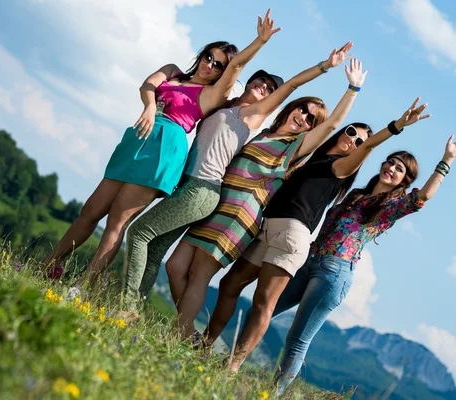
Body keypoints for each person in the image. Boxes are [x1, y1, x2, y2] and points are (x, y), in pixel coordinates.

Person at [205, 98, 432, 371]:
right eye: (352, 133)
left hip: (292, 235)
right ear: (342, 131)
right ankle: (206, 345)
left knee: (265, 302)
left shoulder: (342, 166)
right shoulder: (311, 153)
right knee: (230, 283)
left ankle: (232, 366)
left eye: (360, 143)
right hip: (268, 228)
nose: (354, 142)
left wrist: (397, 126)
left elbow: (375, 148)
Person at [167, 53, 367, 339]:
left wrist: (352, 89)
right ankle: (189, 333)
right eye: (303, 110)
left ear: (312, 129)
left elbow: (333, 123)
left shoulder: (295, 146)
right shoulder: (265, 133)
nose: (304, 117)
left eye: (311, 119)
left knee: (199, 275)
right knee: (176, 266)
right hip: (215, 205)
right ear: (292, 109)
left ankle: (178, 337)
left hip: (240, 216)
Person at [270, 134, 456, 395]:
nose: (392, 168)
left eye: (400, 169)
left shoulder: (392, 206)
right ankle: (230, 362)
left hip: (333, 273)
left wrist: (447, 160)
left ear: (404, 180)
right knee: (265, 309)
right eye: (391, 162)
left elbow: (423, 197)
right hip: (309, 260)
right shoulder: (356, 194)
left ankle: (271, 393)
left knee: (297, 340)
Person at [119, 10, 282, 315]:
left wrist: (259, 42)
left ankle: (124, 306)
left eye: (270, 90)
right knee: (154, 249)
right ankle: (132, 310)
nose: (263, 87)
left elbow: (235, 64)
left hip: (202, 190)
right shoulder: (225, 104)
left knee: (138, 233)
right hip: (192, 186)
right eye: (261, 81)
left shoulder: (252, 116)